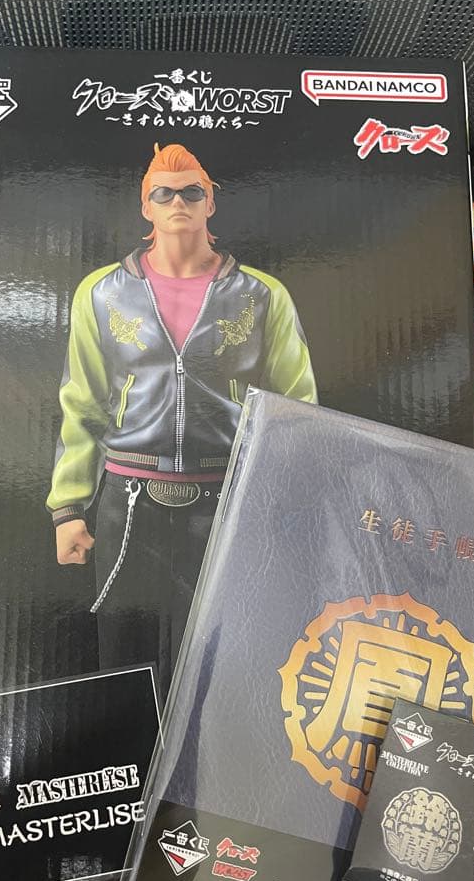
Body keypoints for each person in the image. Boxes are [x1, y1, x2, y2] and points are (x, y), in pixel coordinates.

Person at [47, 142, 317, 691]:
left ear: (210, 202)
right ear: (144, 205)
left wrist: (285, 508)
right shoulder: (101, 293)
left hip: (227, 496)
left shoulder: (262, 295)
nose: (178, 202)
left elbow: (298, 411)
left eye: (192, 191)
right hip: (129, 501)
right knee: (124, 655)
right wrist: (69, 508)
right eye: (163, 193)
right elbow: (82, 403)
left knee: (228, 653)